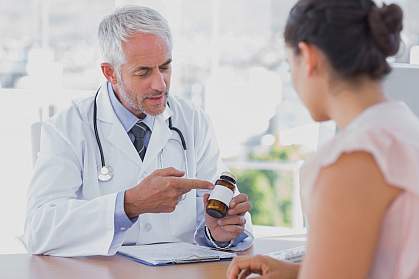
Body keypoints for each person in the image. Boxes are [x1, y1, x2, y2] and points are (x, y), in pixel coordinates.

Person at [23, 5, 253, 256]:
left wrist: (218, 233)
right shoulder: (68, 127)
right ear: (110, 73)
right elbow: (39, 228)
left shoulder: (193, 121)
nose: (160, 84)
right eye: (143, 72)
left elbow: (223, 209)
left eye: (164, 67)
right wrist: (129, 204)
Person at [227, 0, 419, 278]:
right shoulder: (403, 129)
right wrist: (296, 273)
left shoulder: (352, 160)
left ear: (308, 57)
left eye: (289, 63)